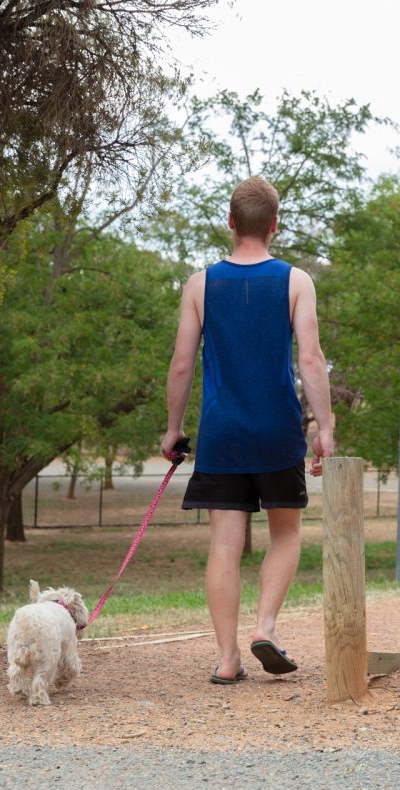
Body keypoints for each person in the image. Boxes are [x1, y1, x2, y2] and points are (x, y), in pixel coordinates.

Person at [162, 176, 335, 684]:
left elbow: (180, 365)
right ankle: (265, 627)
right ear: (274, 225)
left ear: (231, 222)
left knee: (223, 545)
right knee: (286, 533)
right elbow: (311, 358)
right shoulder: (295, 281)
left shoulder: (200, 285)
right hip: (278, 431)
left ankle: (227, 658)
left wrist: (173, 430)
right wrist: (324, 427)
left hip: (222, 434)